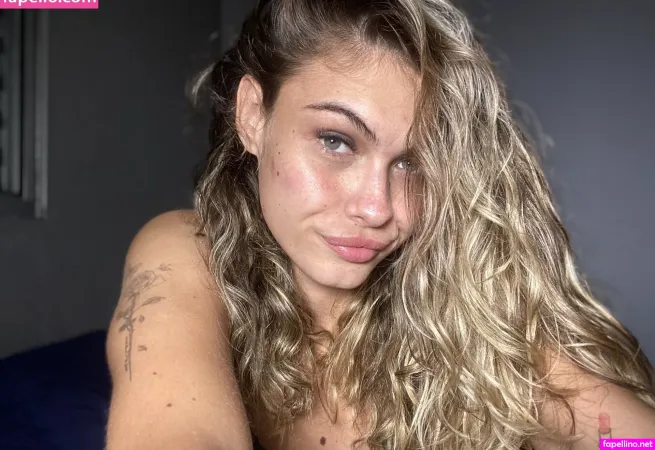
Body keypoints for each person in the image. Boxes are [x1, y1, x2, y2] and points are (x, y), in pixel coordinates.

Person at [104, 0, 655, 449]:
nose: (377, 208)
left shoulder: (465, 313)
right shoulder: (186, 251)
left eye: (412, 163)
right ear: (253, 115)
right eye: (336, 141)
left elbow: (631, 439)